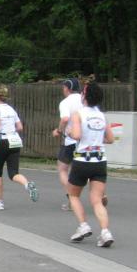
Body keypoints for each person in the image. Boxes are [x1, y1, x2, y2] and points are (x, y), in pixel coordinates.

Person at [67, 82, 115, 246]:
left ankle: (83, 226)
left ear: (84, 96)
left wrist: (69, 132)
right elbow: (110, 139)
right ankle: (105, 232)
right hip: (99, 160)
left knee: (73, 195)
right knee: (97, 200)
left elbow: (76, 135)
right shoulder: (102, 116)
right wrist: (97, 140)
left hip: (82, 160)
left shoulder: (78, 114)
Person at [0, 84, 39, 210]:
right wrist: (10, 129)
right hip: (14, 141)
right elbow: (20, 127)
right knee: (13, 173)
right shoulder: (11, 109)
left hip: (0, 141)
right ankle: (27, 184)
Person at [52, 78, 84, 210]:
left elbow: (65, 118)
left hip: (70, 140)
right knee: (85, 167)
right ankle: (101, 193)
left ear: (67, 88)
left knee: (62, 168)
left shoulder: (65, 102)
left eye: (64, 87)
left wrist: (59, 130)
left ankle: (71, 198)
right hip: (85, 140)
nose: (63, 89)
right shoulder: (84, 99)